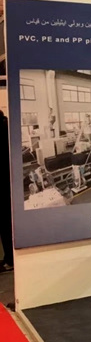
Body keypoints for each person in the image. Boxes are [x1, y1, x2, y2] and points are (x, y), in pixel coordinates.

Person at [0, 110, 13, 272]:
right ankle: (10, 258)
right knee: (7, 223)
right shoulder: (7, 124)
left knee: (4, 224)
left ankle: (9, 260)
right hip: (8, 183)